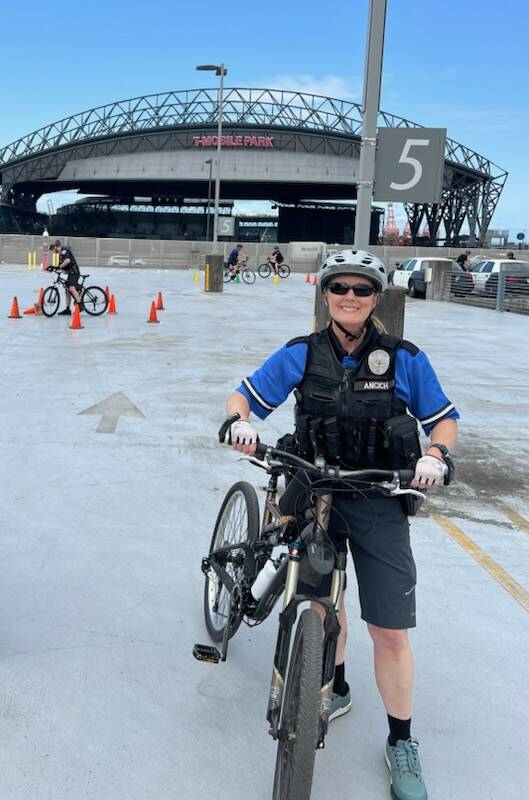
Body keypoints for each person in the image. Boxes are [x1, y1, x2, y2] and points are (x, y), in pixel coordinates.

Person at [222, 249, 459, 800]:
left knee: (390, 630)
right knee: (323, 603)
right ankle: (335, 684)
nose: (349, 298)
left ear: (376, 298)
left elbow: (443, 420)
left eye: (361, 290)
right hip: (315, 489)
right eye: (339, 289)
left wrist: (436, 457)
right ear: (325, 295)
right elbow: (247, 395)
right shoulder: (300, 354)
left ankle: (401, 742)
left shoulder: (404, 358)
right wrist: (237, 422)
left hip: (378, 496)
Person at [49, 240, 82, 315]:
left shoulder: (64, 251)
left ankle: (80, 305)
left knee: (71, 288)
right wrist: (52, 268)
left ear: (56, 247)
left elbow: (67, 261)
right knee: (67, 291)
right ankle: (67, 309)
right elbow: (60, 266)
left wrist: (58, 267)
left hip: (74, 272)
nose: (54, 252)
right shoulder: (60, 255)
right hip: (70, 273)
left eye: (53, 250)